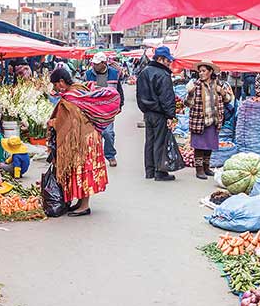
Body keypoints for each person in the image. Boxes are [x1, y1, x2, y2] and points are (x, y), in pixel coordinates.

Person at [47, 68, 120, 216]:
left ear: (61, 82)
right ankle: (81, 202)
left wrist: (53, 123)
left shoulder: (70, 98)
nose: (55, 88)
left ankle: (84, 206)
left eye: (55, 85)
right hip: (90, 137)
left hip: (83, 140)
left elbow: (70, 122)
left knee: (82, 171)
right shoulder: (79, 90)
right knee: (81, 170)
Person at [185, 60, 233, 180]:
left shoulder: (219, 85)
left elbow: (228, 99)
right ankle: (199, 169)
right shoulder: (195, 86)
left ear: (210, 71)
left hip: (213, 120)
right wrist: (190, 93)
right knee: (199, 146)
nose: (201, 73)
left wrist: (221, 92)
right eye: (199, 71)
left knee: (209, 145)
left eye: (203, 71)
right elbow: (188, 104)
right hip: (199, 120)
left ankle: (207, 167)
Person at [136, 46, 178, 182]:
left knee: (150, 141)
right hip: (159, 113)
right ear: (160, 59)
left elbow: (139, 95)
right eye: (167, 60)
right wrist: (170, 115)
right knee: (160, 141)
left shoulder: (144, 72)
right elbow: (167, 97)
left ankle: (150, 170)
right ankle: (159, 171)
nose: (169, 63)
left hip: (148, 113)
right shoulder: (162, 74)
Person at [84, 52, 124, 167]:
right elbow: (84, 90)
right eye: (93, 64)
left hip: (108, 109)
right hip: (93, 109)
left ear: (103, 63)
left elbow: (119, 90)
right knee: (93, 134)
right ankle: (93, 157)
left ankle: (110, 155)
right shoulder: (88, 74)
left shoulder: (114, 74)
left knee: (108, 133)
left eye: (97, 64)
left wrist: (120, 105)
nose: (94, 66)